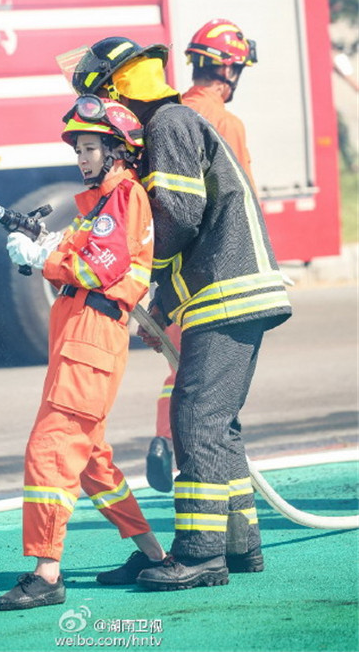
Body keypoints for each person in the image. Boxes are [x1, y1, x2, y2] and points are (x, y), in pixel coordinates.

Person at [71, 36, 292, 592]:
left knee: (195, 418)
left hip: (228, 291)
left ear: (117, 90)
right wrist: (164, 302)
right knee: (220, 424)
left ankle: (199, 554)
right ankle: (241, 547)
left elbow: (180, 216)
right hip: (220, 292)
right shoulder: (170, 125)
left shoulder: (169, 124)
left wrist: (138, 281)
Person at [0, 97, 166, 611]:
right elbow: (84, 256)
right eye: (80, 149)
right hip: (81, 339)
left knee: (49, 450)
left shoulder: (124, 198)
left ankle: (47, 574)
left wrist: (45, 258)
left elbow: (99, 269)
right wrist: (45, 246)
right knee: (90, 461)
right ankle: (152, 555)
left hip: (90, 340)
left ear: (117, 152)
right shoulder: (102, 207)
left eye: (91, 148)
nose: (82, 157)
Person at [146, 19, 258, 493]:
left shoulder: (169, 116)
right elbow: (243, 201)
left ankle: (162, 435)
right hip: (217, 275)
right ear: (231, 70)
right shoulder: (226, 123)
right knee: (212, 394)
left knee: (183, 369)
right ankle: (209, 515)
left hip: (172, 273)